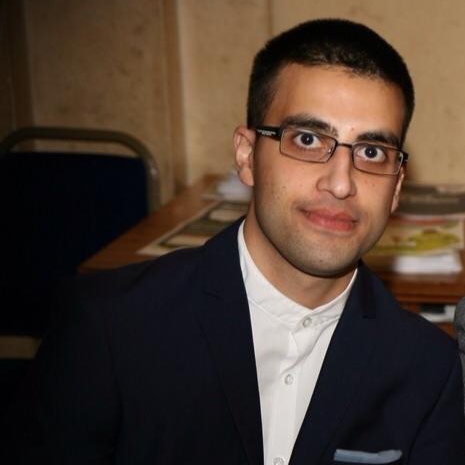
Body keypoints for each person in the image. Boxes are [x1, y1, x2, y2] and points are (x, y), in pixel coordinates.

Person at [3, 18, 465, 465]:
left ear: (397, 186)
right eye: (307, 139)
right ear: (246, 156)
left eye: (371, 151)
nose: (341, 183)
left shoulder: (428, 369)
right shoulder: (110, 328)